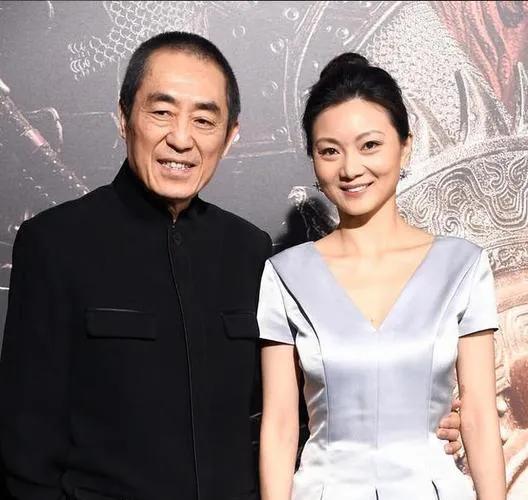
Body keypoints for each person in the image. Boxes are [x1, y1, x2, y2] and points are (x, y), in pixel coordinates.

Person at [0, 32, 462, 500]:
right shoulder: (55, 244)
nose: (181, 139)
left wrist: (421, 418)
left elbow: (304, 406)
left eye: (204, 120)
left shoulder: (250, 252)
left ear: (230, 136)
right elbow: (25, 445)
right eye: (161, 112)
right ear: (123, 118)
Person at [257, 53, 506, 499]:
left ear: (405, 145)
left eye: (369, 145)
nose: (350, 169)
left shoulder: (462, 267)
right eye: (329, 151)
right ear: (312, 158)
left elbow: (479, 416)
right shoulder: (285, 276)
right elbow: (279, 425)